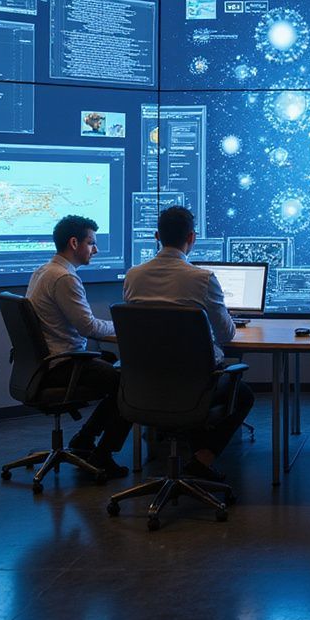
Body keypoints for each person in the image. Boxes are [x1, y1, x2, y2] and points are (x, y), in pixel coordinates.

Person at [122, 205, 255, 482]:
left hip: (145, 382)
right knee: (243, 395)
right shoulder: (202, 279)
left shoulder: (133, 276)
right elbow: (226, 335)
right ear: (192, 237)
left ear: (157, 236)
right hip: (194, 384)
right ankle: (201, 460)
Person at [26, 215, 132, 477]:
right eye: (91, 243)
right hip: (63, 363)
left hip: (45, 363)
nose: (96, 250)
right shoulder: (64, 278)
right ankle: (103, 455)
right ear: (74, 243)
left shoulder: (43, 271)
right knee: (130, 384)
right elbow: (89, 327)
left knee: (112, 364)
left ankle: (85, 439)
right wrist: (125, 326)